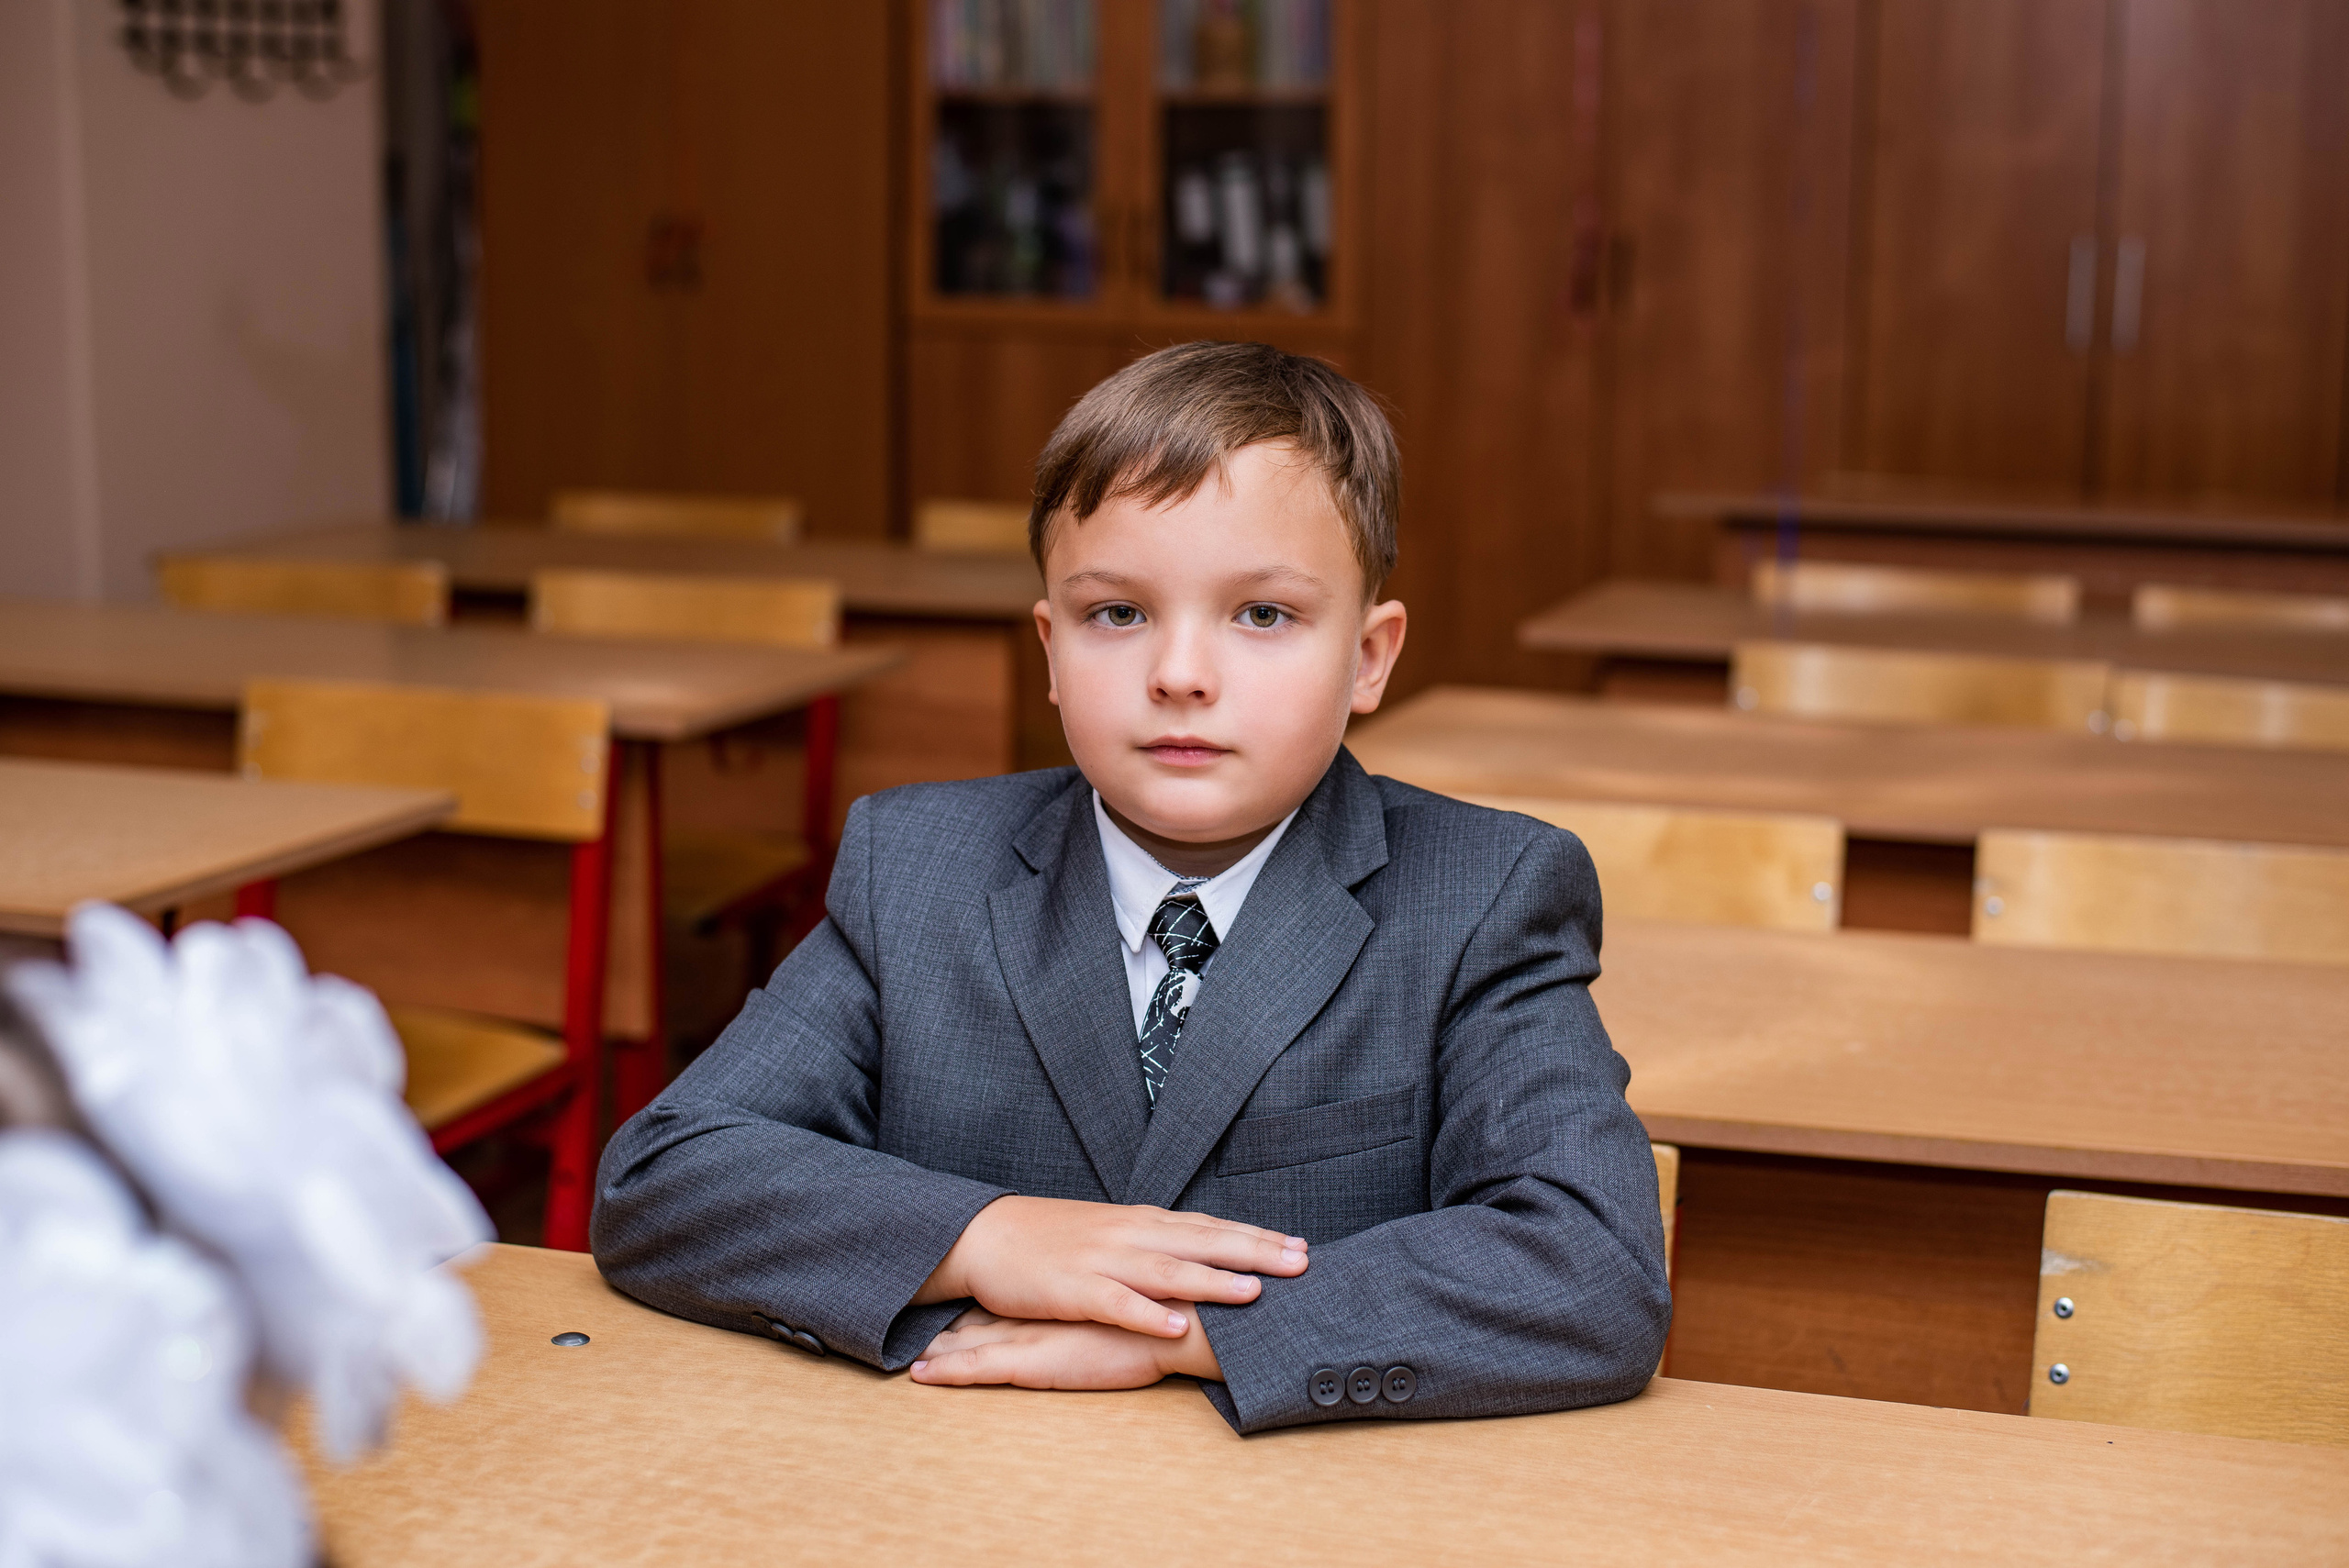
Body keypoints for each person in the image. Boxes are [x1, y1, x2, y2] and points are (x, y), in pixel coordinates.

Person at [591, 340, 1670, 1433]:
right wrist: (988, 1235)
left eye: (1263, 615)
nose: (1181, 674)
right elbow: (668, 1175)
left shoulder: (1484, 891)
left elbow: (1590, 1265)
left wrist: (1182, 1330)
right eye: (1118, 614)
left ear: (1368, 656)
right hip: (948, 1487)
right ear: (1051, 651)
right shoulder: (914, 865)